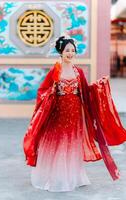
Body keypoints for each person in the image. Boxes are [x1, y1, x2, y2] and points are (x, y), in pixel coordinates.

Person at [23, 36, 126, 192]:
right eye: (67, 50)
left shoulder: (78, 72)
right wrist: (52, 93)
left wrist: (99, 86)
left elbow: (86, 91)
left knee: (72, 143)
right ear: (61, 52)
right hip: (58, 113)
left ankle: (72, 176)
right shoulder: (55, 70)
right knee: (57, 142)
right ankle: (54, 177)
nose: (70, 53)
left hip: (75, 113)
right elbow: (42, 91)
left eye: (72, 50)